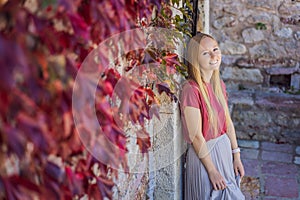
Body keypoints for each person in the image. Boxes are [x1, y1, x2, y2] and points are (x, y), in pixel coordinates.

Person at [180, 32, 245, 200]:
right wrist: (212, 171)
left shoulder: (218, 85)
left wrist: (236, 155)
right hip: (205, 159)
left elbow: (228, 123)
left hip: (224, 154)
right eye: (205, 53)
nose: (214, 55)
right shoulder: (190, 90)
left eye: (215, 49)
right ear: (195, 59)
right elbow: (196, 137)